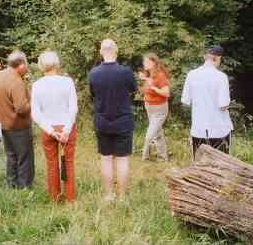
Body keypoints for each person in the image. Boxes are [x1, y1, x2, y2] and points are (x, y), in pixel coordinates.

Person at [89, 39, 137, 202]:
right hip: (123, 121)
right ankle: (122, 197)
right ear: (116, 51)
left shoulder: (94, 73)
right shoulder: (126, 72)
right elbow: (133, 90)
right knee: (122, 159)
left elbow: (93, 94)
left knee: (106, 158)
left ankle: (109, 195)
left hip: (102, 121)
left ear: (101, 52)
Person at [31, 51, 78, 202]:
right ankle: (70, 198)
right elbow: (73, 108)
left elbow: (35, 113)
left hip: (48, 129)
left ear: (41, 65)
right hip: (66, 127)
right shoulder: (67, 81)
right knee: (69, 163)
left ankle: (55, 198)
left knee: (52, 164)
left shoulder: (37, 85)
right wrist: (66, 129)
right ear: (56, 63)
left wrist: (51, 130)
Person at [0, 50, 34, 189]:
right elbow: (21, 108)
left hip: (3, 124)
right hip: (18, 126)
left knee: (11, 155)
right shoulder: (16, 81)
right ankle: (24, 187)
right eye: (26, 63)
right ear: (20, 64)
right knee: (24, 157)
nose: (26, 67)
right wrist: (34, 103)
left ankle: (11, 184)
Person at [181, 45, 233, 158]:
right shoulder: (221, 77)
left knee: (199, 166)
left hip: (198, 129)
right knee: (221, 166)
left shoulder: (191, 75)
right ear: (218, 58)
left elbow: (185, 100)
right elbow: (223, 105)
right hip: (219, 130)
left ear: (205, 57)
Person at [139, 53, 170, 161]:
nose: (144, 64)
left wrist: (153, 87)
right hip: (149, 108)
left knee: (149, 135)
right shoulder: (149, 75)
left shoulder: (160, 75)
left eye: (147, 62)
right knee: (157, 134)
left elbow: (167, 93)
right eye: (144, 62)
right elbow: (147, 89)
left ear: (154, 63)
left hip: (159, 109)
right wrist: (145, 80)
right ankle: (163, 158)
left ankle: (145, 158)